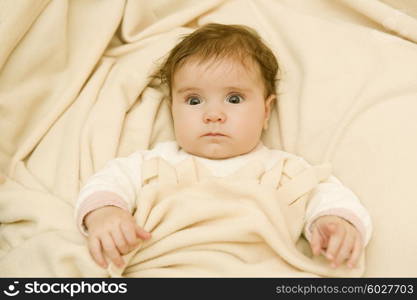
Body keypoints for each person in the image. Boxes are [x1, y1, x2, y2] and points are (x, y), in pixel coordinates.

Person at [75, 23, 372, 273]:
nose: (213, 114)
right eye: (194, 100)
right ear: (172, 110)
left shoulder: (285, 170)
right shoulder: (152, 164)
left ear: (266, 112)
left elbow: (329, 194)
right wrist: (105, 213)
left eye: (234, 99)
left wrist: (334, 221)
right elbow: (107, 182)